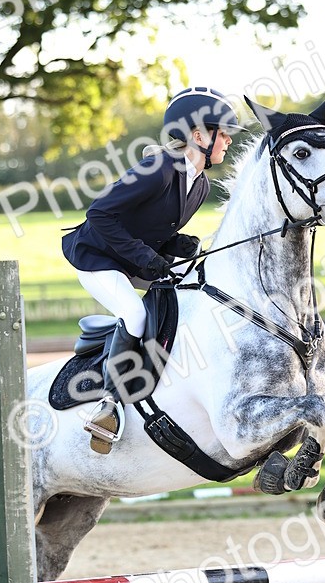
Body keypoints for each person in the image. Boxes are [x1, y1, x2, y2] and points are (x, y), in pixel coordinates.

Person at [62, 86, 245, 453]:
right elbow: (99, 215)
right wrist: (146, 258)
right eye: (221, 133)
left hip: (132, 258)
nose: (227, 140)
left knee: (191, 292)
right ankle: (108, 405)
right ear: (198, 135)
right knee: (133, 313)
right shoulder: (158, 167)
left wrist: (176, 245)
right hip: (96, 257)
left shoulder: (200, 184)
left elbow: (151, 226)